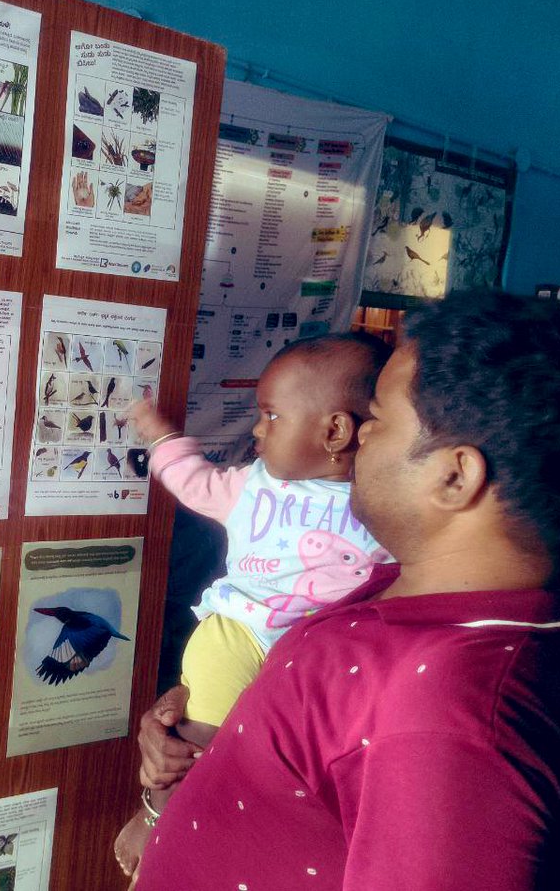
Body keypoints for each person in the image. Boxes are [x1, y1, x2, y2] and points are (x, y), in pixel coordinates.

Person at [132, 292, 560, 890]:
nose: (358, 433)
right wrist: (180, 749)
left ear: (455, 475)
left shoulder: (457, 720)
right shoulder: (388, 589)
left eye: (381, 418)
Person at [114, 332, 392, 877]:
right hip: (237, 630)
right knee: (198, 737)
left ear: (335, 430)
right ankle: (159, 817)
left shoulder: (377, 502)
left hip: (312, 656)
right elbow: (197, 483)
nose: (257, 430)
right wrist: (164, 437)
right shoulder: (254, 484)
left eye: (271, 416)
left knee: (244, 751)